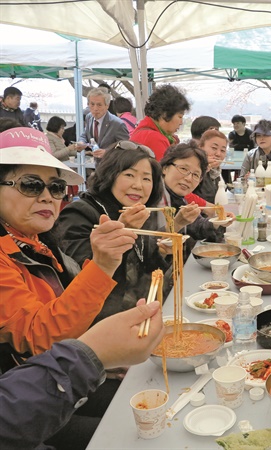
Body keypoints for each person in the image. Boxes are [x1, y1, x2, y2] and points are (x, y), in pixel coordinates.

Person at [0, 127, 137, 448]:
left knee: (147, 402)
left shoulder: (35, 242)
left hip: (60, 375)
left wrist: (104, 349)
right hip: (24, 401)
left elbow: (70, 309)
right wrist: (104, 264)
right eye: (31, 185)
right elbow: (38, 336)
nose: (47, 196)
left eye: (56, 186)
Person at [0, 300, 164, 450]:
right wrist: (88, 356)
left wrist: (102, 359)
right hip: (38, 404)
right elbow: (42, 334)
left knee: (149, 407)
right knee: (130, 434)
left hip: (44, 384)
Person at [56, 142, 169, 326]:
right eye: (129, 175)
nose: (138, 185)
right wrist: (122, 231)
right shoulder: (79, 213)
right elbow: (80, 280)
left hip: (142, 311)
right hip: (101, 326)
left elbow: (148, 269)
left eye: (147, 179)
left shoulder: (136, 211)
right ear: (110, 175)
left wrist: (163, 252)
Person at [158, 142, 235, 250]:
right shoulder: (152, 197)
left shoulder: (180, 198)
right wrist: (177, 223)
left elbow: (196, 227)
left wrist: (218, 221)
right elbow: (147, 243)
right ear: (165, 168)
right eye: (184, 169)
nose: (189, 178)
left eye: (195, 175)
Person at [130, 84, 190, 161]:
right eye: (180, 117)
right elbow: (165, 171)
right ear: (165, 114)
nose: (181, 122)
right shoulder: (155, 138)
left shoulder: (144, 131)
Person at [80, 87, 129, 161]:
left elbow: (127, 149)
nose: (95, 108)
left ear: (107, 106)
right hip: (97, 165)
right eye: (92, 104)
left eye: (99, 105)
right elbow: (85, 134)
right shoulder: (89, 117)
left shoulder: (117, 124)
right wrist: (81, 142)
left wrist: (107, 153)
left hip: (112, 167)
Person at [193, 129, 228, 204]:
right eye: (214, 148)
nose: (218, 154)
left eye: (222, 150)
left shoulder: (216, 172)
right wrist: (204, 168)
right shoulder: (192, 167)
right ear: (200, 147)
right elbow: (186, 194)